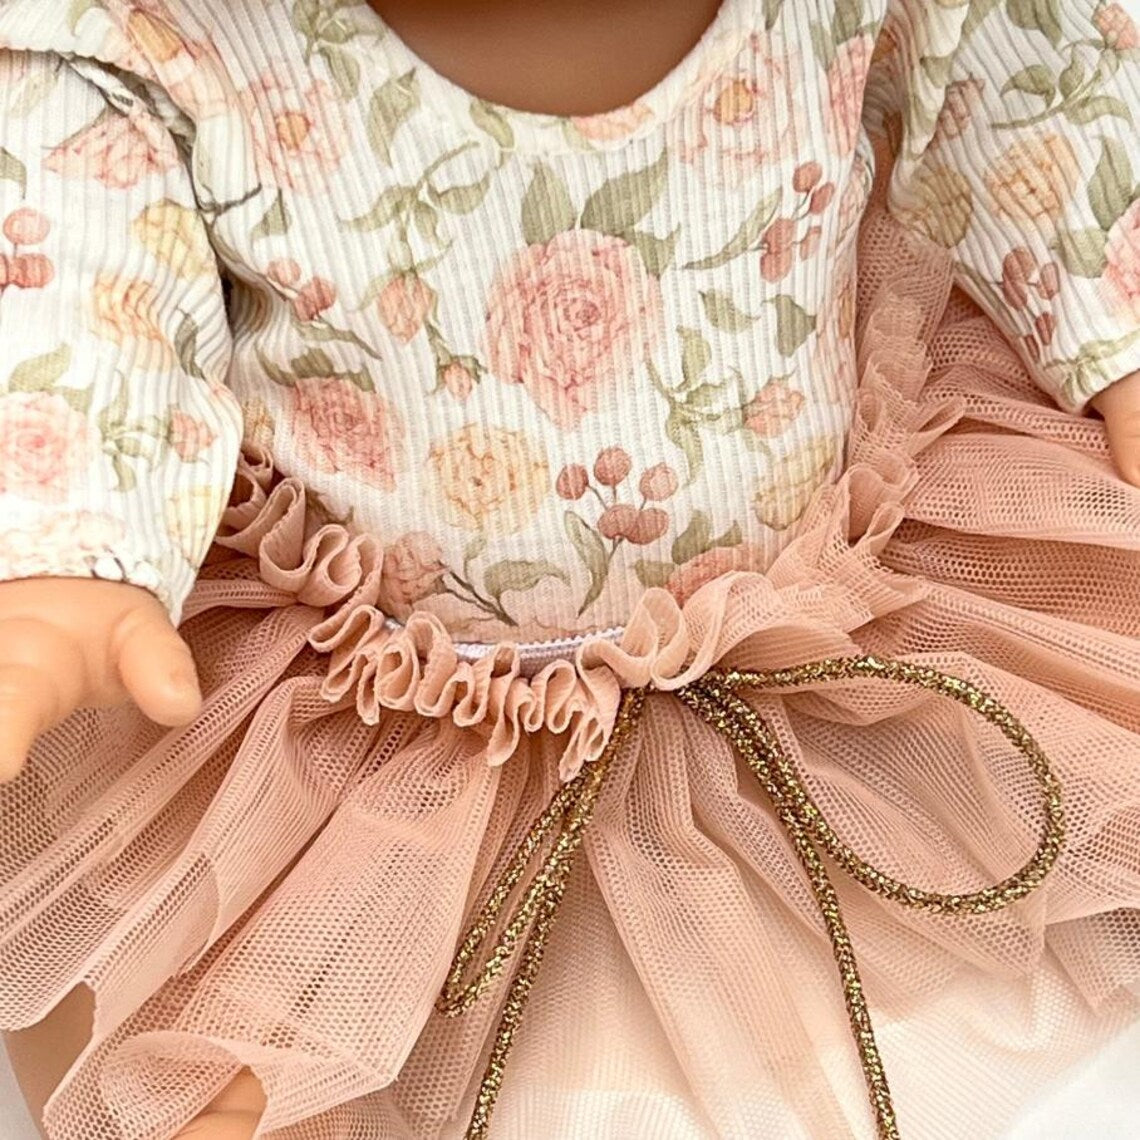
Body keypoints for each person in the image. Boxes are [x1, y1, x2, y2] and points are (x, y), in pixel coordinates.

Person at [1, 1, 1139, 1137]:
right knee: (244, 1051)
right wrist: (71, 544)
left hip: (822, 613)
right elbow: (85, 268)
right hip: (372, 707)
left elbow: (1020, 77)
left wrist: (1114, 315)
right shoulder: (159, 30)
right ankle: (282, 1043)